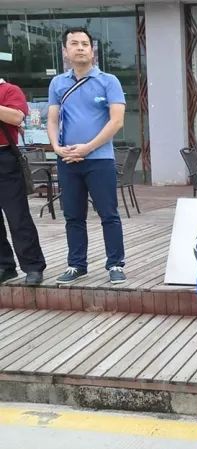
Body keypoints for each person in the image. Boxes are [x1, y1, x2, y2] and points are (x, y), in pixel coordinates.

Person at [47, 27, 126, 285]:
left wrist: (88, 147)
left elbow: (117, 121)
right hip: (68, 159)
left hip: (99, 159)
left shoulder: (108, 81)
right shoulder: (58, 83)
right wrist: (56, 147)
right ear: (65, 51)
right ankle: (76, 265)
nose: (80, 48)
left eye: (85, 44)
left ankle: (115, 264)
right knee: (73, 215)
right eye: (74, 43)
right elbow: (53, 119)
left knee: (108, 214)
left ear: (93, 51)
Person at [0, 78, 46, 285]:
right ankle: (4, 266)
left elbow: (16, 117)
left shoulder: (9, 90)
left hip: (4, 157)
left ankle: (33, 266)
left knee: (17, 216)